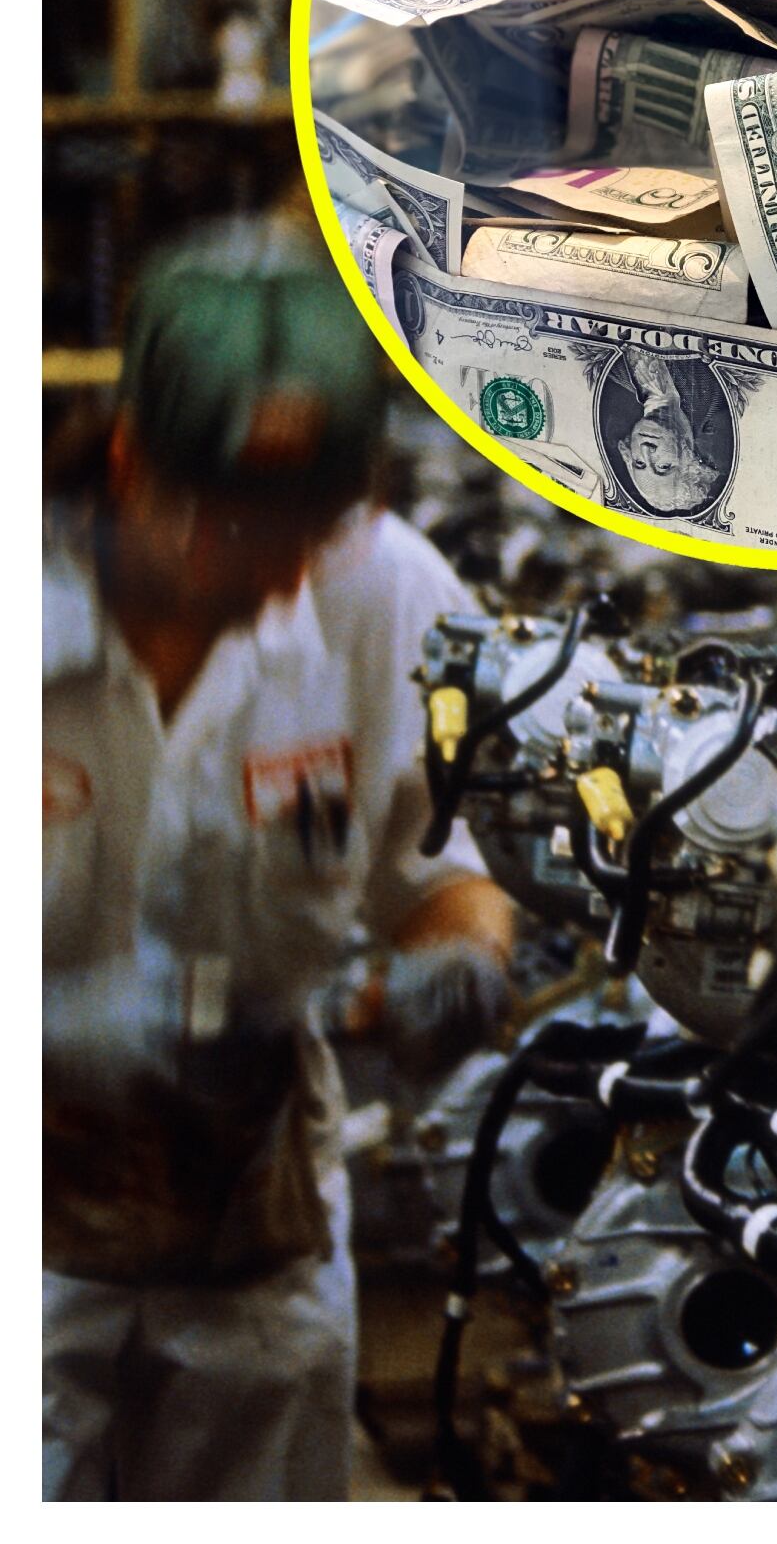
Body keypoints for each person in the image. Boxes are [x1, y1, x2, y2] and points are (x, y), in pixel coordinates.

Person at [44, 217, 519, 1499]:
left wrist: (461, 958)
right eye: (229, 534)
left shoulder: (386, 594)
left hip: (258, 1229)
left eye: (304, 536)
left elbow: (447, 868)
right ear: (132, 460)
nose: (273, 580)